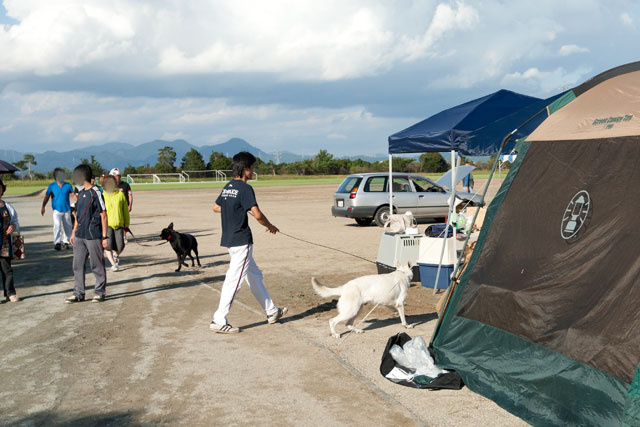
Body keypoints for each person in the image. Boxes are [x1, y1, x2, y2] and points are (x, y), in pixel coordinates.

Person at [210, 152, 287, 333]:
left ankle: (271, 311)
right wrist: (270, 226)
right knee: (234, 279)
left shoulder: (228, 186)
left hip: (230, 239)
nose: (253, 171)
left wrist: (236, 208)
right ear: (246, 170)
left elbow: (216, 207)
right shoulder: (245, 188)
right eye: (252, 168)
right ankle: (219, 319)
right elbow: (258, 214)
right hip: (241, 241)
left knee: (253, 275)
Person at [66, 164, 108, 304]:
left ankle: (99, 292)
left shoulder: (95, 192)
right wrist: (73, 232)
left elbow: (103, 214)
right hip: (79, 235)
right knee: (77, 265)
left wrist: (104, 236)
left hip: (93, 234)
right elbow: (78, 215)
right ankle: (78, 293)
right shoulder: (80, 193)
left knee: (96, 265)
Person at [41, 168, 74, 250]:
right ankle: (57, 242)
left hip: (67, 209)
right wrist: (43, 206)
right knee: (57, 226)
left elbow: (73, 195)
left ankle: (66, 241)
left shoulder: (68, 185)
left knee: (68, 226)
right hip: (56, 210)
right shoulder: (51, 186)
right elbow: (47, 197)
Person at [102, 175, 129, 272]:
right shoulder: (102, 195)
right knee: (108, 245)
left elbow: (125, 211)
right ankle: (113, 264)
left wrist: (127, 225)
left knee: (121, 246)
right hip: (107, 225)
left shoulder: (120, 195)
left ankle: (116, 255)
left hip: (119, 225)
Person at [0, 179, 20, 303]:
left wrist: (13, 226)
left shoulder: (8, 206)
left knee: (7, 270)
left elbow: (16, 222)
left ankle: (10, 293)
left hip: (5, 243)